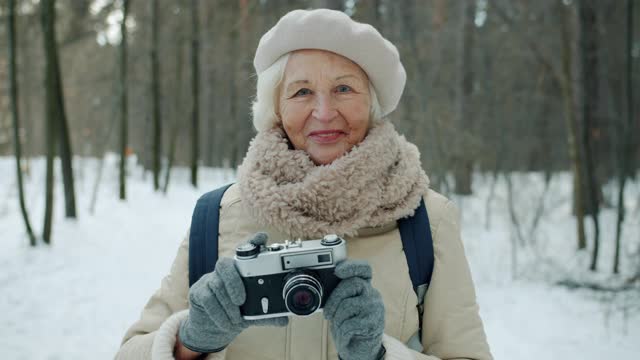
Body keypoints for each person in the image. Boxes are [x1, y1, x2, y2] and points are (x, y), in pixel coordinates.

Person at [116, 8, 492, 360]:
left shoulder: (426, 220)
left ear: (372, 104)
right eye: (301, 92)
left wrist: (378, 355)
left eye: (344, 89)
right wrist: (188, 340)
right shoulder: (216, 218)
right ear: (275, 107)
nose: (325, 112)